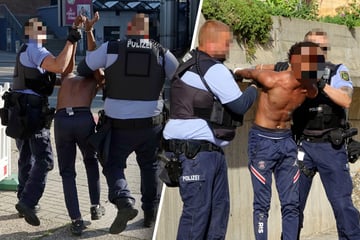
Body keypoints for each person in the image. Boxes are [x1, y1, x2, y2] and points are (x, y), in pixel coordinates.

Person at [77, 13, 179, 234]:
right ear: (148, 31)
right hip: (151, 125)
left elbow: (83, 69)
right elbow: (180, 78)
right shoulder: (162, 53)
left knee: (113, 164)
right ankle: (149, 214)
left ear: (130, 27)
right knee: (150, 167)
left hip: (118, 126)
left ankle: (124, 201)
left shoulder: (112, 48)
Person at [162, 20, 258, 240]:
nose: (228, 48)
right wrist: (254, 86)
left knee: (216, 217)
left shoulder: (190, 63)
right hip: (197, 155)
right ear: (212, 42)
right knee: (197, 220)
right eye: (226, 43)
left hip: (200, 153)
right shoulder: (213, 68)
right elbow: (240, 105)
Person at [234, 41, 323, 240]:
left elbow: (251, 72)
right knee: (262, 204)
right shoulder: (273, 80)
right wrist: (238, 70)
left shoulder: (309, 88)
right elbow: (249, 73)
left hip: (287, 142)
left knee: (291, 203)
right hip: (262, 141)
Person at [0, 17, 82, 226]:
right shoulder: (36, 49)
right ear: (30, 31)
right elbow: (58, 65)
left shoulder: (25, 50)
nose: (43, 31)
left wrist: (73, 42)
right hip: (32, 112)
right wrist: (71, 40)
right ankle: (28, 201)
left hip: (21, 112)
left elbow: (64, 71)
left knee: (26, 156)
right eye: (39, 28)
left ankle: (23, 198)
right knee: (45, 160)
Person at [292, 30, 360, 239]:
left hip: (331, 147)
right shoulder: (294, 71)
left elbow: (346, 99)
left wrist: (321, 83)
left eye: (324, 48)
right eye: (315, 48)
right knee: (293, 205)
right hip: (303, 146)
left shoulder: (337, 71)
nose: (321, 53)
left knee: (342, 204)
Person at [53, 13, 105, 236]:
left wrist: (75, 31)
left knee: (67, 173)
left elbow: (69, 56)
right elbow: (92, 58)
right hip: (83, 119)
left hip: (62, 120)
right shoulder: (96, 78)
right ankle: (95, 206)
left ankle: (76, 220)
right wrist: (88, 31)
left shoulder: (66, 77)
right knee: (90, 161)